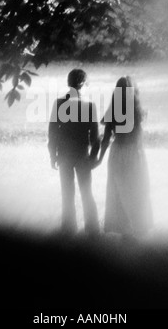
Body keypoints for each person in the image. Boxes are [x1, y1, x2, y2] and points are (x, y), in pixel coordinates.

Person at [97, 76, 153, 239]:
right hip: (135, 154)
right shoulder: (139, 111)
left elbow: (106, 139)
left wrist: (99, 159)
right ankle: (140, 225)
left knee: (118, 191)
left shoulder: (113, 111)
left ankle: (125, 228)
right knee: (137, 189)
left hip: (119, 153)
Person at [48, 69, 100, 236]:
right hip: (82, 154)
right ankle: (92, 229)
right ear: (83, 84)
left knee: (67, 193)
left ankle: (68, 228)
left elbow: (53, 132)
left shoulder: (59, 104)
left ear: (68, 83)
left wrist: (52, 154)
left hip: (64, 154)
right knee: (86, 192)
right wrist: (93, 157)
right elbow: (95, 137)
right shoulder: (89, 106)